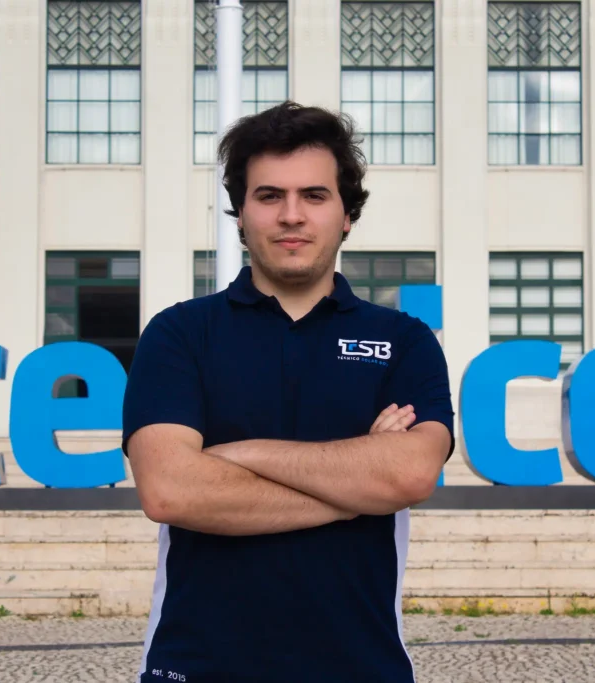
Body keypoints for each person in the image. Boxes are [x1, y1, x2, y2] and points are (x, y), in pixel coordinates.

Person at [122, 101, 454, 683]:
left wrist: (235, 455)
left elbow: (408, 476)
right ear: (241, 213)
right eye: (270, 195)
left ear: (347, 214)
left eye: (315, 196)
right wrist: (359, 486)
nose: (291, 215)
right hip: (197, 667)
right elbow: (171, 492)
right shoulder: (179, 333)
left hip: (361, 669)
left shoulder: (403, 340)